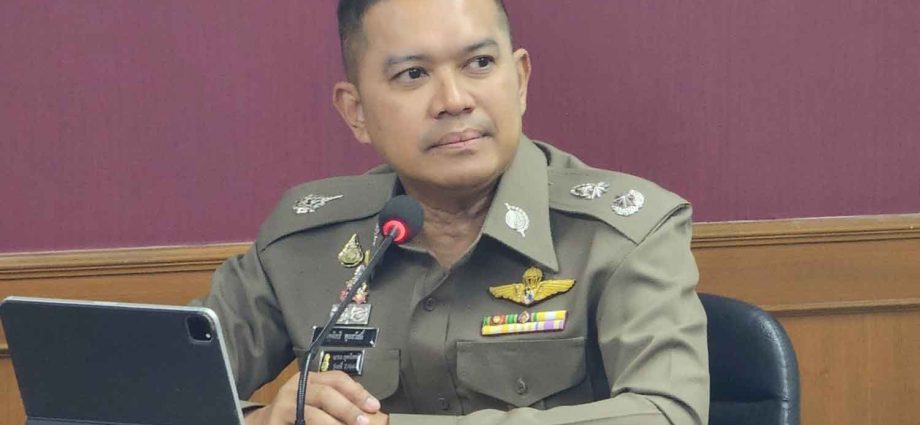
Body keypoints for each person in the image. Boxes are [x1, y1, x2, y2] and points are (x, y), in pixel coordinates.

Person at [195, 0, 709, 424]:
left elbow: (667, 414)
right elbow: (160, 387)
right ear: (356, 111)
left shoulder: (625, 234)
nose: (454, 100)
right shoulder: (304, 242)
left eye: (479, 63)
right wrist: (261, 422)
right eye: (413, 73)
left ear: (520, 79)